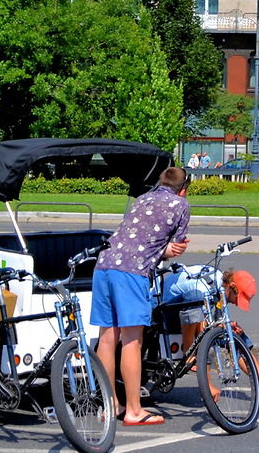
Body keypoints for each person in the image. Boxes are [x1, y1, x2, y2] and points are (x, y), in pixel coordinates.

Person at [91, 166, 192, 427]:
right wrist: (169, 249)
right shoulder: (180, 204)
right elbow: (174, 246)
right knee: (132, 341)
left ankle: (111, 403)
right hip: (132, 271)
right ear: (183, 189)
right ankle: (134, 409)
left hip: (104, 264)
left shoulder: (143, 198)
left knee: (107, 338)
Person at [157, 266, 259, 406]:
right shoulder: (204, 287)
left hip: (188, 311)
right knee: (203, 326)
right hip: (164, 309)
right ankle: (198, 371)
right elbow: (203, 324)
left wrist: (225, 327)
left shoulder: (220, 285)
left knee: (234, 336)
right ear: (233, 287)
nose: (236, 304)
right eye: (237, 299)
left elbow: (213, 317)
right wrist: (216, 325)